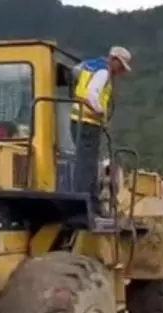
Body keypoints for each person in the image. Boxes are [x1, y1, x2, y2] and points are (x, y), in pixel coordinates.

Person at [70, 46, 132, 216]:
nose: (120, 72)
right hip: (87, 123)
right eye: (121, 66)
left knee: (89, 165)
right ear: (114, 60)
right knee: (86, 166)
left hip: (83, 122)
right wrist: (100, 111)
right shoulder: (103, 72)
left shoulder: (91, 66)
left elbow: (76, 75)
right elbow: (91, 94)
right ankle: (84, 205)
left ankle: (93, 205)